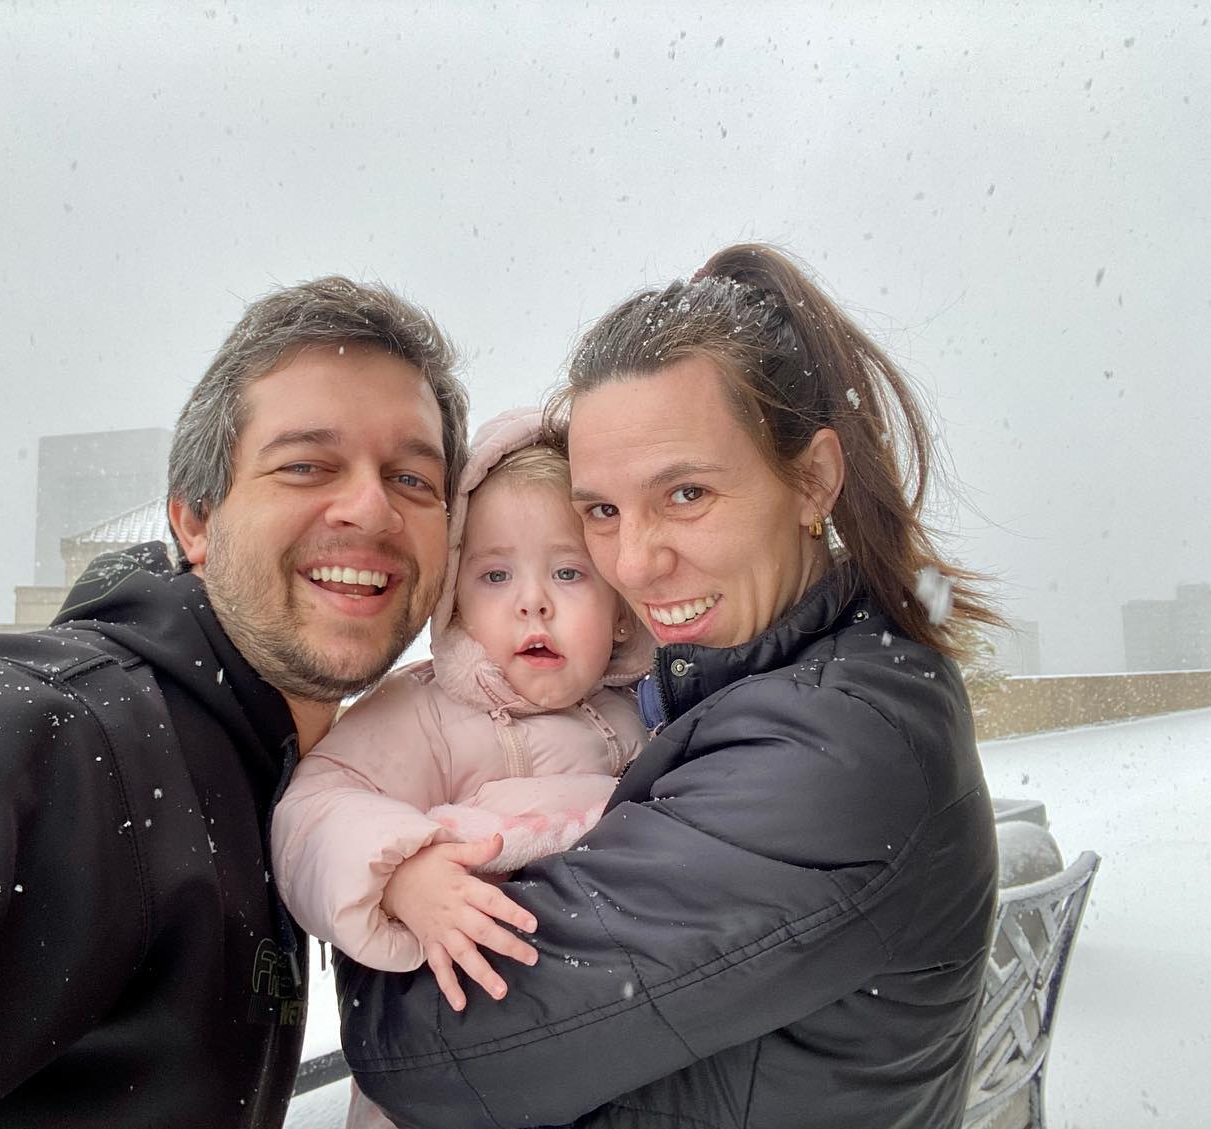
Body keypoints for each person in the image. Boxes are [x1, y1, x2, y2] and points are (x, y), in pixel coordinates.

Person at [340, 244, 1002, 1129]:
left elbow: (425, 1045)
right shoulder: (781, 688)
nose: (634, 562)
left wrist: (389, 894)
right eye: (601, 511)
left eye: (686, 493)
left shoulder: (832, 751)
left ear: (813, 481)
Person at [0, 276, 469, 1129]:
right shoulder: (60, 738)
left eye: (412, 477)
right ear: (194, 522)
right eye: (306, 464)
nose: (371, 508)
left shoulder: (283, 781)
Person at [273, 408, 651, 1128]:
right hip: (445, 1068)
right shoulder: (423, 711)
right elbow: (311, 812)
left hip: (586, 1053)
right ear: (453, 599)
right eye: (495, 574)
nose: (533, 601)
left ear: (622, 611)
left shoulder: (646, 720)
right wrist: (405, 876)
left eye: (569, 572)